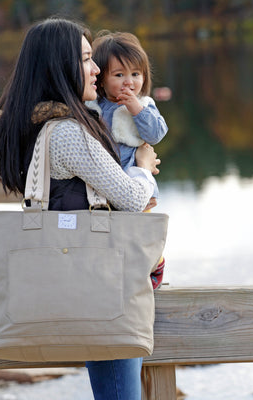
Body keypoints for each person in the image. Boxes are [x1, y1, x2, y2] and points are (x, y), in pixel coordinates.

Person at [0, 18, 160, 400]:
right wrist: (143, 168)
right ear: (58, 67)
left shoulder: (40, 125)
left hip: (83, 278)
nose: (96, 68)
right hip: (102, 280)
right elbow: (132, 199)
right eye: (85, 59)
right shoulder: (67, 132)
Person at [87, 31, 168, 289]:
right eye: (119, 75)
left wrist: (136, 109)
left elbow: (156, 134)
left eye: (135, 74)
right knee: (114, 239)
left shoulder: (144, 105)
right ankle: (118, 281)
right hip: (105, 188)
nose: (128, 82)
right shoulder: (94, 106)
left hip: (137, 184)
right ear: (101, 79)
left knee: (141, 235)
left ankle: (153, 268)